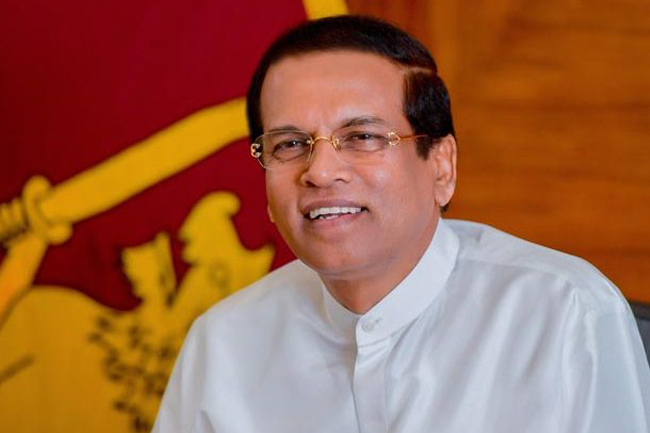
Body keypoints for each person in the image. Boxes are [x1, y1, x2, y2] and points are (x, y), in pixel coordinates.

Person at [153, 15, 650, 433]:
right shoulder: (222, 343)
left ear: (441, 165)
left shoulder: (565, 315)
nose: (320, 171)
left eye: (363, 136)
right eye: (288, 145)